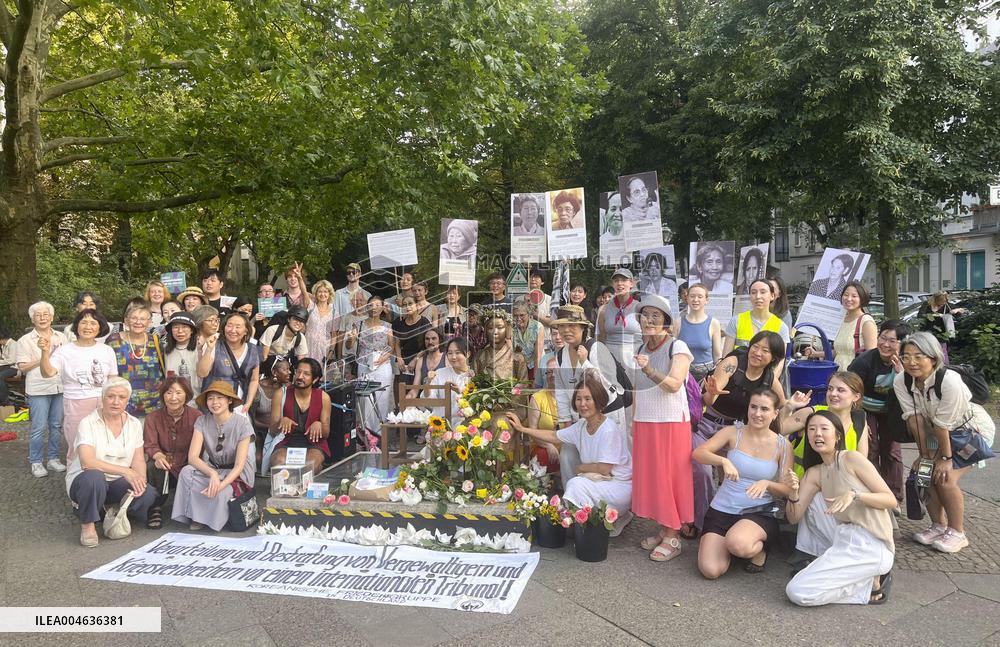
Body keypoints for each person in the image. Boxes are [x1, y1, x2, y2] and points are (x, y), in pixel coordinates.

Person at [894, 331, 996, 553]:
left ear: (933, 357)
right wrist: (925, 456)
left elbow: (945, 425)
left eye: (918, 356)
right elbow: (915, 419)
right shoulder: (901, 380)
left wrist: (946, 459)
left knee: (945, 477)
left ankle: (958, 532)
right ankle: (938, 525)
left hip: (970, 433)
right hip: (936, 432)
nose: (911, 362)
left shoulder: (949, 380)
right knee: (925, 471)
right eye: (906, 356)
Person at [784, 410, 896, 606]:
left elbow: (890, 500)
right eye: (811, 429)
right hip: (843, 538)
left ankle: (868, 585)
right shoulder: (815, 473)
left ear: (837, 436)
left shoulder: (851, 459)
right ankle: (860, 576)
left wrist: (855, 495)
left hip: (871, 544)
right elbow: (794, 518)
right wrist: (793, 494)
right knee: (816, 500)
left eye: (824, 429)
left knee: (797, 592)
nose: (817, 434)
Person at [693, 388, 793, 578]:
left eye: (764, 409)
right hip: (722, 508)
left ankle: (757, 548)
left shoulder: (782, 445)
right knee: (711, 570)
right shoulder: (733, 432)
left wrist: (767, 484)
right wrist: (723, 460)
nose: (757, 413)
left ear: (775, 413)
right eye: (753, 407)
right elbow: (698, 453)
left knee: (739, 545)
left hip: (758, 512)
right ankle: (731, 544)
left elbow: (788, 489)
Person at [695, 331, 786, 534]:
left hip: (736, 432)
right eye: (755, 346)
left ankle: (729, 523)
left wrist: (791, 405)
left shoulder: (769, 378)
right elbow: (709, 400)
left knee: (731, 479)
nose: (758, 352)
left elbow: (780, 401)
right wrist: (711, 392)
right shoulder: (733, 363)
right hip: (709, 424)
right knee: (701, 473)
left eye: (765, 350)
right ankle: (701, 522)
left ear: (774, 359)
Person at [507, 372, 632, 515]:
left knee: (575, 484)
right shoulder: (581, 426)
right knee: (570, 459)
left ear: (598, 401)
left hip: (618, 486)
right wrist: (522, 428)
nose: (582, 404)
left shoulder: (608, 429)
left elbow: (604, 469)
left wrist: (580, 468)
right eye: (579, 399)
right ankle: (585, 520)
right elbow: (554, 435)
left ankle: (606, 516)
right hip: (600, 482)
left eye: (587, 399)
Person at [632, 294, 694, 562]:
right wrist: (634, 422)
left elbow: (674, 384)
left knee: (671, 477)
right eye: (645, 315)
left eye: (656, 316)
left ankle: (673, 536)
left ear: (666, 321)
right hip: (646, 420)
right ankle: (664, 527)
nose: (649, 320)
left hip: (670, 421)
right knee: (656, 477)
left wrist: (649, 371)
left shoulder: (678, 346)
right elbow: (637, 389)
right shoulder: (642, 346)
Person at [66, 377, 157, 547]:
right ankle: (88, 525)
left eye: (122, 397)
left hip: (116, 482)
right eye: (111, 396)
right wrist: (126, 471)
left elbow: (138, 459)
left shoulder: (134, 423)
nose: (116, 402)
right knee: (94, 478)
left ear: (127, 400)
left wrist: (140, 480)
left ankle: (105, 508)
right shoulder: (88, 423)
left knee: (148, 494)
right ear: (102, 397)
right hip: (87, 479)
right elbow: (87, 462)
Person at [172, 380, 256, 531]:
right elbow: (193, 457)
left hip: (236, 473)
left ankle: (208, 518)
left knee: (222, 492)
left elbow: (239, 465)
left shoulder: (242, 423)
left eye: (219, 398)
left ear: (229, 400)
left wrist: (221, 485)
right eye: (210, 398)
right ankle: (197, 516)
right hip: (213, 469)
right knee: (186, 472)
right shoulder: (202, 421)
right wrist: (213, 474)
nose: (214, 402)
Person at [38, 308, 118, 465]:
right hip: (76, 402)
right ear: (76, 326)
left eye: (93, 323)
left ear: (100, 327)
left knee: (105, 443)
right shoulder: (64, 351)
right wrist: (45, 353)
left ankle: (104, 480)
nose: (88, 327)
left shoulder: (107, 350)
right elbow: (48, 373)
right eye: (84, 322)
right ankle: (76, 481)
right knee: (77, 443)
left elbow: (113, 380)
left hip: (104, 403)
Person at [848, 319, 912, 504]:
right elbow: (850, 389)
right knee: (870, 449)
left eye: (892, 341)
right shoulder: (864, 361)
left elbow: (912, 394)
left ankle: (894, 497)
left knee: (892, 451)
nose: (885, 344)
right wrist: (860, 418)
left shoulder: (909, 362)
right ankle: (873, 492)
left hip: (893, 411)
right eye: (883, 338)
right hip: (865, 408)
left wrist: (901, 375)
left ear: (902, 343)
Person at [16, 302, 69, 476]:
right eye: (38, 315)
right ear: (32, 319)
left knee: (56, 425)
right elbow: (22, 367)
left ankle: (53, 458)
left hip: (59, 386)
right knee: (39, 427)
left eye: (46, 314)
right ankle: (36, 461)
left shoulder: (61, 337)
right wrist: (45, 357)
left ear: (52, 317)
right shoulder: (25, 340)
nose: (42, 317)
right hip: (38, 389)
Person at [552, 305, 624, 432]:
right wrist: (565, 421)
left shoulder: (596, 348)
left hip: (608, 415)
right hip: (581, 419)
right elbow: (561, 391)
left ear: (583, 328)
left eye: (572, 326)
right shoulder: (560, 356)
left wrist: (585, 362)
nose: (566, 330)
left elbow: (607, 386)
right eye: (562, 326)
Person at [143, 376, 201, 529]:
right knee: (153, 466)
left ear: (187, 395)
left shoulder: (197, 417)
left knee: (194, 469)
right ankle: (155, 507)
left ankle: (193, 509)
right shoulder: (152, 418)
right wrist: (158, 455)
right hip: (164, 466)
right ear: (163, 395)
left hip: (187, 462)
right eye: (168, 393)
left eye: (178, 393)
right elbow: (150, 445)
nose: (173, 398)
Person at [269, 358, 332, 476]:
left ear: (315, 379)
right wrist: (282, 422)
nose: (300, 376)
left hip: (313, 444)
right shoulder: (281, 394)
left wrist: (320, 425)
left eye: (306, 374)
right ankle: (285, 493)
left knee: (310, 465)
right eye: (298, 372)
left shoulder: (323, 397)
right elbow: (272, 431)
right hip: (286, 441)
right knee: (279, 463)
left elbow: (326, 433)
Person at [105, 305, 164, 419]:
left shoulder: (155, 341)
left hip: (154, 406)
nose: (138, 322)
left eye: (143, 319)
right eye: (134, 318)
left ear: (149, 322)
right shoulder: (113, 341)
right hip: (122, 405)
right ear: (126, 320)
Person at [804, 280, 876, 370]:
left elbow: (872, 355)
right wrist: (815, 353)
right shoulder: (841, 320)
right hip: (838, 375)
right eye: (846, 295)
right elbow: (840, 352)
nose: (849, 299)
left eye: (854, 296)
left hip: (855, 377)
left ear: (862, 298)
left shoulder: (866, 321)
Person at [350, 296, 394, 441]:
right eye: (371, 305)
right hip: (364, 365)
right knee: (365, 400)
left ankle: (381, 433)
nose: (374, 308)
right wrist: (351, 338)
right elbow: (349, 345)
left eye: (377, 305)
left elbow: (391, 346)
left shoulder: (387, 326)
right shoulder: (359, 324)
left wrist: (384, 358)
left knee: (382, 398)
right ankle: (366, 433)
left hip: (382, 366)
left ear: (382, 307)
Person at [197, 311, 260, 413]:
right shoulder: (214, 344)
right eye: (229, 325)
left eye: (238, 327)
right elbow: (201, 373)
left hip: (239, 403)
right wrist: (208, 349)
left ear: (246, 331)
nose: (232, 330)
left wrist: (249, 402)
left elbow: (254, 379)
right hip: (214, 404)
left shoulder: (252, 349)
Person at [723, 279, 790, 355]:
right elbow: (726, 356)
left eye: (763, 292)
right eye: (753, 292)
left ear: (772, 296)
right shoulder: (736, 321)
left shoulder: (781, 327)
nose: (758, 296)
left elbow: (780, 361)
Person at [596, 268, 641, 371]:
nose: (620, 283)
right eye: (616, 281)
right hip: (612, 358)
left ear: (631, 283)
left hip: (634, 358)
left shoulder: (640, 308)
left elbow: (647, 338)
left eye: (624, 280)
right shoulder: (604, 309)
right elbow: (602, 337)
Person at [253, 355, 292, 471]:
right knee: (259, 460)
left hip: (281, 432)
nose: (289, 372)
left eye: (289, 369)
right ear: (274, 372)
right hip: (260, 431)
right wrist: (271, 427)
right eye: (285, 370)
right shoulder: (257, 388)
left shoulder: (288, 388)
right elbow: (251, 418)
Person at [677, 284, 723, 382]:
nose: (695, 299)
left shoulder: (714, 323)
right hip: (683, 374)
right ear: (687, 298)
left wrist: (717, 377)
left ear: (706, 300)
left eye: (700, 296)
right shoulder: (678, 322)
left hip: (706, 376)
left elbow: (717, 355)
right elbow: (673, 353)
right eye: (692, 296)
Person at [427, 337, 474, 428]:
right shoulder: (440, 373)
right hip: (439, 424)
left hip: (464, 426)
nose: (453, 357)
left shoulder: (473, 376)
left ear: (468, 354)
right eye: (449, 353)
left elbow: (476, 406)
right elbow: (430, 402)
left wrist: (460, 393)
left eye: (457, 353)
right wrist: (428, 383)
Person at [473, 308, 528, 382]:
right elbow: (473, 381)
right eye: (490, 328)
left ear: (507, 330)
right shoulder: (480, 355)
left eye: (500, 327)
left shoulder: (517, 357)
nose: (495, 332)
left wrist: (513, 391)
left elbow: (524, 383)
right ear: (485, 331)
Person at [391, 295, 432, 393]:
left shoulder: (424, 322)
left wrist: (416, 359)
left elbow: (428, 345)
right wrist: (399, 358)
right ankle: (399, 407)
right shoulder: (400, 323)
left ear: (417, 305)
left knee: (417, 389)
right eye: (404, 305)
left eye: (410, 304)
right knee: (401, 386)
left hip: (420, 358)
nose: (407, 307)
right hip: (403, 359)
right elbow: (397, 342)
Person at [527, 356, 560, 472]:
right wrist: (548, 445)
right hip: (543, 445)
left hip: (566, 445)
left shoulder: (571, 397)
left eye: (556, 371)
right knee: (542, 454)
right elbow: (532, 431)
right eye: (549, 372)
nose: (553, 375)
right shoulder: (537, 398)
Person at [163, 312, 202, 398]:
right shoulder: (165, 349)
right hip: (172, 399)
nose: (180, 331)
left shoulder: (200, 347)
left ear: (192, 330)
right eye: (176, 327)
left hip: (195, 399)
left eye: (184, 327)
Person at [409, 328, 447, 402]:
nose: (430, 342)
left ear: (440, 340)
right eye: (427, 339)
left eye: (434, 338)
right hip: (425, 402)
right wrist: (406, 400)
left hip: (444, 403)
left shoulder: (446, 358)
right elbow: (415, 390)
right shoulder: (421, 361)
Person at [917, 291, 956, 362]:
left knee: (942, 353)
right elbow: (920, 316)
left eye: (945, 301)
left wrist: (956, 310)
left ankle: (944, 367)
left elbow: (962, 311)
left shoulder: (947, 305)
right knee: (928, 352)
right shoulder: (927, 305)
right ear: (936, 299)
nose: (943, 303)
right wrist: (933, 315)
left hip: (941, 334)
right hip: (927, 333)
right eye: (941, 301)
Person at [305, 279, 336, 364]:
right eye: (320, 291)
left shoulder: (334, 311)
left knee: (323, 374)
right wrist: (300, 278)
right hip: (309, 347)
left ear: (329, 294)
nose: (322, 294)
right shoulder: (310, 307)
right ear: (315, 293)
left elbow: (334, 335)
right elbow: (303, 292)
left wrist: (331, 352)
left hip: (324, 350)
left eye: (325, 291)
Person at [512, 302, 545, 380]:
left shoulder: (538, 327)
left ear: (529, 315)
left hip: (534, 364)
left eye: (522, 315)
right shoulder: (511, 327)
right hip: (518, 365)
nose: (518, 318)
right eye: (515, 316)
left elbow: (538, 355)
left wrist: (536, 377)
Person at [0, 327, 18, 408]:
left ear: (2, 338)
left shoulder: (13, 344)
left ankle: (5, 401)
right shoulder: (4, 345)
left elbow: (12, 360)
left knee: (0, 376)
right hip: (6, 367)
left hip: (14, 368)